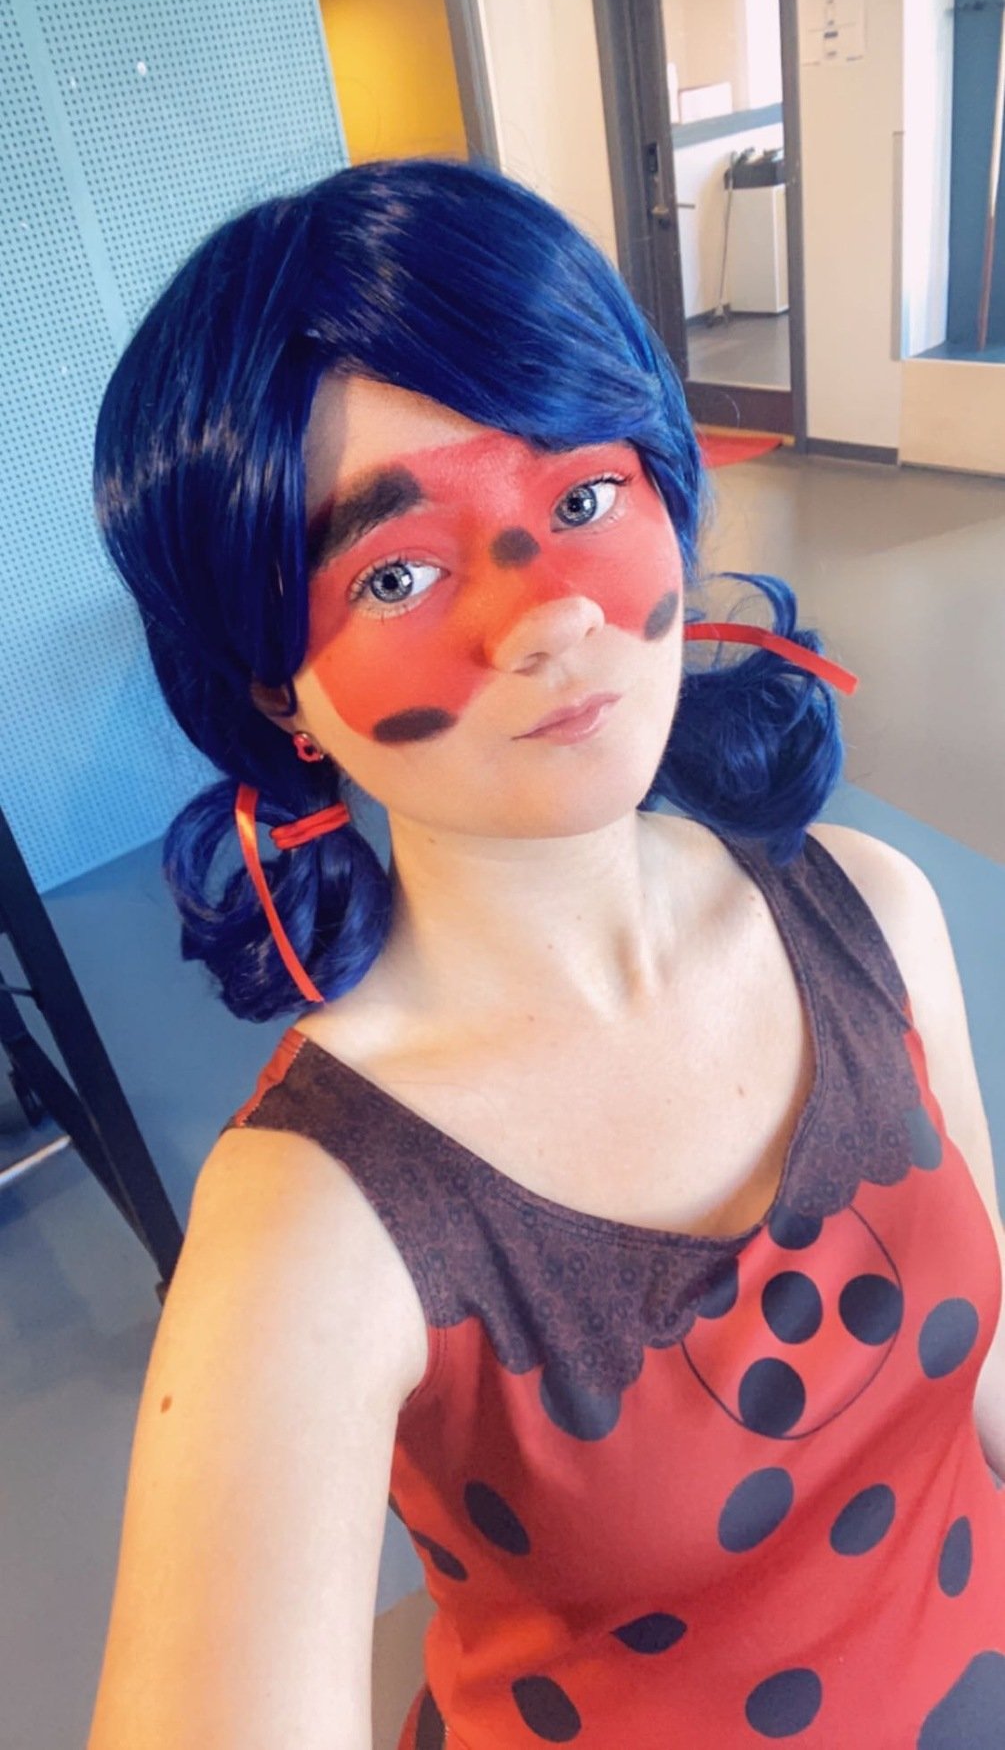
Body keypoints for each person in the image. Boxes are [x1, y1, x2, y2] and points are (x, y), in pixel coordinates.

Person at [86, 161, 1004, 1750]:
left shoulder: (872, 912)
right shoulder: (311, 1224)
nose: (546, 621)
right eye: (396, 570)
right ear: (271, 690)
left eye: (580, 500)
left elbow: (983, 1380)